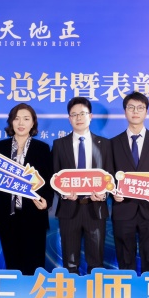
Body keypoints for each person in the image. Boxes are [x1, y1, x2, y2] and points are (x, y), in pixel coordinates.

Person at [0, 103, 54, 275]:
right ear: (11, 122)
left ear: (33, 123)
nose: (21, 123)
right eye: (16, 118)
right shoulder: (0, 147)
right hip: (7, 215)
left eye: (26, 119)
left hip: (34, 215)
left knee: (34, 266)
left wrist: (46, 202)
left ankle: (34, 292)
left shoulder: (42, 148)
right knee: (12, 266)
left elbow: (48, 181)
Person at [52, 97, 113, 274]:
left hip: (96, 208)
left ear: (90, 116)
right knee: (70, 263)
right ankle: (71, 291)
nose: (78, 118)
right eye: (74, 114)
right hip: (69, 208)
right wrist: (63, 193)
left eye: (82, 113)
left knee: (96, 262)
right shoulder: (59, 145)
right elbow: (54, 176)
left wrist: (104, 194)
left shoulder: (105, 144)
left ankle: (95, 290)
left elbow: (109, 176)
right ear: (69, 118)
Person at [110, 92, 149, 273]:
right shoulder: (113, 143)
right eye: (131, 107)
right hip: (123, 208)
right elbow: (109, 176)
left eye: (140, 108)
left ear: (146, 112)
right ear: (125, 111)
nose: (135, 111)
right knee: (125, 258)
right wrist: (113, 192)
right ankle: (128, 288)